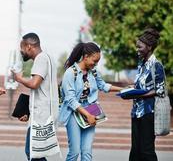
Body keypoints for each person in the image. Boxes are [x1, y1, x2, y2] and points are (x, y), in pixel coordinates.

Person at [58, 42, 123, 161]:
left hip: (90, 110)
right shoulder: (70, 73)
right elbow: (71, 100)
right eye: (95, 61)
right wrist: (88, 115)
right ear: (86, 57)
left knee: (87, 151)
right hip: (74, 112)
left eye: (98, 61)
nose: (96, 64)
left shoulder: (93, 72)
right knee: (75, 151)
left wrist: (124, 89)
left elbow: (103, 86)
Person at [12, 33, 59, 161]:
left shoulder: (41, 58)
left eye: (22, 48)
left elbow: (34, 84)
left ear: (28, 46)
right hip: (43, 113)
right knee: (36, 153)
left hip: (42, 116)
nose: (21, 52)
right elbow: (41, 90)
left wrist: (19, 78)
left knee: (33, 153)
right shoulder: (48, 58)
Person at [126, 29, 166, 161]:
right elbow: (141, 86)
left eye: (139, 47)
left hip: (149, 113)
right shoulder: (141, 65)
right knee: (135, 150)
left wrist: (140, 95)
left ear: (149, 47)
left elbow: (160, 90)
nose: (137, 49)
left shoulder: (156, 65)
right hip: (136, 112)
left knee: (146, 150)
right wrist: (130, 90)